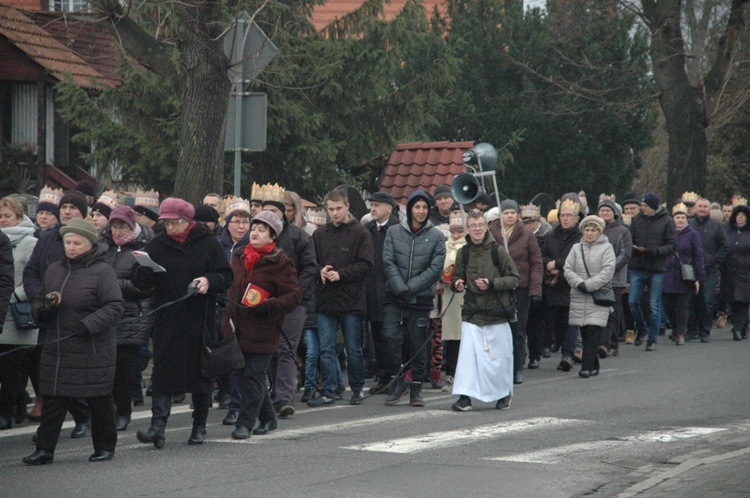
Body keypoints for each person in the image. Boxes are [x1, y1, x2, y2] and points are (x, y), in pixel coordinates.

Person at [133, 198, 232, 448]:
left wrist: (209, 280)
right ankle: (158, 426)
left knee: (201, 374)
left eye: (174, 223)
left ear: (188, 222)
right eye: (165, 223)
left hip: (200, 318)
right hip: (168, 318)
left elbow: (225, 275)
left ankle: (199, 426)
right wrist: (144, 271)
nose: (169, 228)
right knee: (163, 372)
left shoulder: (208, 243)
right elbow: (141, 283)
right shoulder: (157, 245)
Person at [23, 219, 124, 465]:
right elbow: (39, 297)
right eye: (68, 242)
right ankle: (45, 449)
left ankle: (104, 446)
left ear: (89, 244)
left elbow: (115, 306)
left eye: (77, 243)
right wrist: (41, 311)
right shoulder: (54, 269)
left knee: (98, 398)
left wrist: (89, 325)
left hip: (91, 347)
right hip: (57, 346)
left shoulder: (103, 272)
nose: (71, 247)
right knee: (54, 399)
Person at [222, 211, 301, 439]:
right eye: (254, 227)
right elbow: (231, 287)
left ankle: (245, 424)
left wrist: (269, 305)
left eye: (261, 229)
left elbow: (294, 296)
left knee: (254, 376)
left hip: (263, 329)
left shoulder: (280, 262)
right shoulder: (238, 255)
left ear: (273, 236)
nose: (255, 232)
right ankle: (268, 417)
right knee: (248, 373)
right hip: (237, 327)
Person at [24, 190, 93, 438]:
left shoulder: (92, 240)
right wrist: (38, 298)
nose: (66, 212)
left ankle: (83, 416)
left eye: (73, 208)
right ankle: (49, 429)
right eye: (63, 207)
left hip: (77, 318)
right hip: (48, 316)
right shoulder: (46, 240)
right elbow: (31, 271)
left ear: (83, 214)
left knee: (72, 374)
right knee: (49, 374)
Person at [307, 190, 374, 407]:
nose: (334, 213)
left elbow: (366, 264)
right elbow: (310, 264)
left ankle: (356, 388)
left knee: (353, 349)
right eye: (330, 209)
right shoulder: (319, 234)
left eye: (338, 209)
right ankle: (329, 389)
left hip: (351, 300)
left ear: (347, 207)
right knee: (326, 348)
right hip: (326, 300)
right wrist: (321, 271)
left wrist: (341, 274)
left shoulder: (360, 233)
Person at [381, 190, 446, 407]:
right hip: (395, 296)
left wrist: (412, 288)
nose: (420, 211)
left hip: (420, 299)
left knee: (417, 343)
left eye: (424, 207)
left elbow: (435, 268)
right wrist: (401, 288)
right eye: (417, 207)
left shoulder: (436, 236)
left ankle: (416, 387)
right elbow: (388, 262)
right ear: (409, 209)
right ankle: (398, 381)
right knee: (390, 337)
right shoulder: (393, 232)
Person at [450, 210, 519, 411]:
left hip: (497, 313)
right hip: (472, 313)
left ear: (486, 227)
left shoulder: (498, 251)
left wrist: (491, 284)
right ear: (468, 229)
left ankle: (503, 395)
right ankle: (465, 398)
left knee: (499, 359)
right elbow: (456, 277)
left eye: (480, 225)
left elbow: (515, 278)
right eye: (473, 226)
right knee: (467, 358)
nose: (477, 229)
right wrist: (458, 284)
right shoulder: (464, 252)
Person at [261, 192, 317, 417]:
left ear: (283, 213)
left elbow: (310, 268)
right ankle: (275, 391)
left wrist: (294, 294)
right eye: (265, 212)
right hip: (265, 304)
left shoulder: (298, 236)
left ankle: (284, 397)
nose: (269, 216)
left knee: (286, 348)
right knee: (270, 349)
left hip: (293, 303)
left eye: (274, 211)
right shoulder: (258, 236)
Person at [101, 206, 153, 431]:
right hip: (104, 314)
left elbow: (147, 285)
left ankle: (123, 410)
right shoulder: (103, 247)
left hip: (131, 315)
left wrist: (113, 286)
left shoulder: (143, 250)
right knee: (105, 367)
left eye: (123, 226)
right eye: (115, 225)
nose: (118, 231)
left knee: (124, 369)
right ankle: (106, 410)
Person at [488, 200, 542, 385]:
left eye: (512, 212)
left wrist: (535, 289)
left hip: (520, 288)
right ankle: (498, 367)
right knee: (496, 329)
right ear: (500, 215)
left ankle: (517, 367)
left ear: (518, 215)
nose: (509, 216)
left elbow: (536, 263)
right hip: (496, 288)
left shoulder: (527, 235)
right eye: (506, 213)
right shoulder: (491, 233)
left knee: (518, 329)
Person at [564, 215, 616, 378]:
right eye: (587, 230)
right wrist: (579, 283)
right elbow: (568, 269)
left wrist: (589, 285)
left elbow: (608, 271)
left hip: (597, 296)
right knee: (584, 331)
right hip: (579, 295)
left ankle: (586, 367)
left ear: (599, 232)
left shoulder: (607, 248)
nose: (590, 233)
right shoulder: (576, 248)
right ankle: (594, 364)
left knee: (593, 330)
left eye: (593, 230)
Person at [628, 192, 677, 351]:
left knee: (653, 305)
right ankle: (641, 327)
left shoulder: (667, 221)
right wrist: (634, 249)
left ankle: (653, 338)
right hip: (638, 265)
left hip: (656, 268)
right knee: (633, 301)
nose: (643, 209)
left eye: (646, 206)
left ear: (654, 207)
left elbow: (672, 245)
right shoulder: (636, 220)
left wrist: (656, 251)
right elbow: (630, 240)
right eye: (642, 206)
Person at [363, 192, 400, 395]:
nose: (373, 209)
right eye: (372, 205)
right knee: (376, 335)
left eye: (377, 205)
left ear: (388, 208)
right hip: (372, 291)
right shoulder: (367, 229)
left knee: (392, 336)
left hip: (392, 291)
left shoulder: (397, 229)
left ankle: (397, 376)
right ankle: (383, 378)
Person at [541, 194, 583, 371]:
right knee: (557, 321)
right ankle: (564, 347)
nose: (565, 219)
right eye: (562, 215)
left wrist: (558, 265)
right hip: (554, 283)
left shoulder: (581, 236)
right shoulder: (552, 236)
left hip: (572, 284)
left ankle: (568, 354)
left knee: (571, 320)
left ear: (577, 218)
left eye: (569, 216)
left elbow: (579, 257)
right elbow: (542, 254)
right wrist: (549, 265)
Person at [0, 197, 29, 430]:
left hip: (14, 312)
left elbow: (32, 276)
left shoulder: (30, 242)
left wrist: (12, 296)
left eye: (7, 216)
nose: (3, 220)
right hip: (3, 307)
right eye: (0, 216)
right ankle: (18, 399)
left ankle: (8, 409)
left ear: (19, 217)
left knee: (11, 367)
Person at [662, 204, 705, 345]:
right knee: (668, 304)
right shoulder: (667, 233)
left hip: (685, 275)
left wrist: (700, 275)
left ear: (687, 219)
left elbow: (698, 255)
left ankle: (681, 332)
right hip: (668, 274)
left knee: (682, 305)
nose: (680, 220)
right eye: (677, 217)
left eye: (682, 217)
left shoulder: (692, 234)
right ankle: (675, 328)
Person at [687, 198, 728, 341]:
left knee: (706, 300)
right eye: (700, 206)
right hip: (690, 269)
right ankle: (692, 330)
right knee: (691, 300)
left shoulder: (716, 226)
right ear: (695, 208)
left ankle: (705, 330)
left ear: (709, 209)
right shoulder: (689, 224)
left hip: (708, 270)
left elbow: (724, 246)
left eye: (705, 207)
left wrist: (714, 259)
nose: (702, 209)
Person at [597, 198, 632, 355]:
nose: (604, 213)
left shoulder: (622, 231)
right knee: (600, 311)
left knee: (612, 311)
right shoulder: (595, 229)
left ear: (614, 213)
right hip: (596, 276)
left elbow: (625, 254)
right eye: (602, 210)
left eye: (607, 210)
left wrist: (609, 268)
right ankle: (608, 343)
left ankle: (607, 344)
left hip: (615, 278)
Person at [440, 212, 467, 393]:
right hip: (447, 295)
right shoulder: (444, 247)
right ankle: (450, 373)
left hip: (465, 296)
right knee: (450, 336)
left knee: (464, 337)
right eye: (453, 232)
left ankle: (462, 373)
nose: (456, 235)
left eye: (460, 232)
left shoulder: (468, 248)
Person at [721, 204, 750, 341]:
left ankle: (738, 329)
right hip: (729, 270)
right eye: (738, 215)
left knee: (743, 300)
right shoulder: (727, 231)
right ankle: (742, 325)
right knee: (733, 299)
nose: (740, 217)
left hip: (745, 271)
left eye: (743, 215)